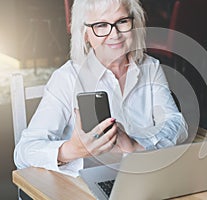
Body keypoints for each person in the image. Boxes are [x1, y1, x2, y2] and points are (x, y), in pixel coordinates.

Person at [14, 0, 188, 177]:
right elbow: (23, 152)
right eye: (101, 25)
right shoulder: (67, 78)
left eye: (122, 21)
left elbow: (176, 124)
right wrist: (72, 150)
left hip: (144, 176)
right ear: (85, 34)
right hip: (86, 185)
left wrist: (137, 147)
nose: (115, 34)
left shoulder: (151, 67)